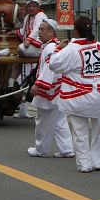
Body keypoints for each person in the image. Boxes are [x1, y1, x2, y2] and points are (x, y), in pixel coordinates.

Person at [49, 16, 100, 173]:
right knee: (99, 129)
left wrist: (58, 48)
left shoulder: (71, 49)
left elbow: (54, 64)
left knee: (79, 130)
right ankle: (98, 162)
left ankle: (84, 163)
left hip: (78, 96)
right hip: (99, 95)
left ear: (76, 31)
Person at [27, 19, 73, 159]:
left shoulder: (50, 47)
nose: (39, 32)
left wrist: (38, 84)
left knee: (42, 120)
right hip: (58, 88)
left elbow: (49, 67)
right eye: (39, 29)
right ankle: (67, 149)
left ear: (51, 32)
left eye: (42, 29)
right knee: (60, 120)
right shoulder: (54, 46)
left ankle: (41, 149)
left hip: (49, 88)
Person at [10, 0, 47, 119]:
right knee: (23, 78)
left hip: (37, 47)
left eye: (33, 6)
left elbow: (36, 30)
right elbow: (23, 31)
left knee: (20, 50)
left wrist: (28, 40)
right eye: (29, 6)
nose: (31, 8)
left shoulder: (41, 15)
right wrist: (15, 33)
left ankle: (36, 110)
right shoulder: (27, 17)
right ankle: (22, 110)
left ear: (38, 7)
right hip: (29, 49)